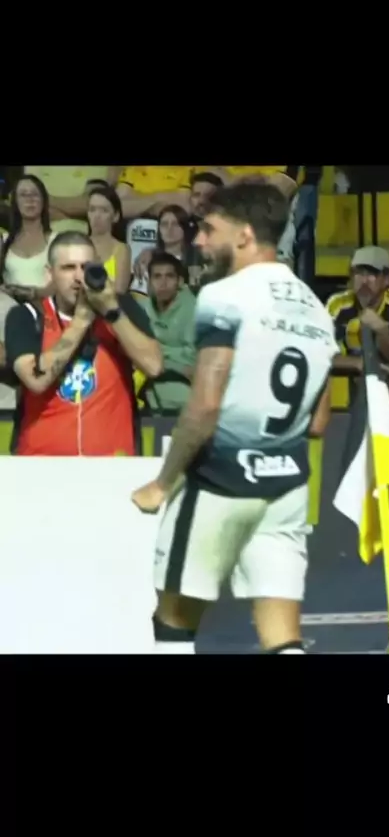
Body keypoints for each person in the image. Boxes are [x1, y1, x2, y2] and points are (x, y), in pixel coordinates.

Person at [131, 181, 338, 655]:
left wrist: (163, 483)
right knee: (282, 637)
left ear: (244, 235)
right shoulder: (316, 308)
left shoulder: (224, 295)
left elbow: (205, 405)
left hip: (218, 480)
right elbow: (318, 422)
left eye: (209, 229)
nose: (200, 240)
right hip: (285, 486)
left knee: (173, 622)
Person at [5, 231, 162, 456]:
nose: (79, 277)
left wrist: (111, 312)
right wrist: (80, 321)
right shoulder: (27, 315)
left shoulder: (121, 308)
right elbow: (35, 380)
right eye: (68, 268)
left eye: (86, 267)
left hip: (112, 463)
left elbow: (154, 366)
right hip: (41, 464)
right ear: (50, 273)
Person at [326, 246, 389, 407]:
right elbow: (322, 353)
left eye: (372, 274)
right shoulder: (337, 304)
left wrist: (382, 330)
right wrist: (359, 363)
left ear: (386, 279)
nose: (364, 281)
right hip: (349, 374)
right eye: (358, 273)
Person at [140, 252, 196, 415]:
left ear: (179, 281)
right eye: (157, 277)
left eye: (169, 276)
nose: (163, 283)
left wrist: (153, 354)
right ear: (149, 281)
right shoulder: (143, 308)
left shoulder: (192, 309)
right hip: (148, 397)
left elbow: (191, 360)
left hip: (184, 399)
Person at [0, 175, 56, 303]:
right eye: (23, 195)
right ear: (15, 202)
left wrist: (32, 293)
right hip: (10, 310)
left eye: (34, 194)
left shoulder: (57, 241)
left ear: (43, 201)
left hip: (46, 310)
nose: (30, 199)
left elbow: (61, 285)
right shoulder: (3, 241)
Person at [87, 186, 131, 294]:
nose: (97, 216)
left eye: (104, 210)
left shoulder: (121, 249)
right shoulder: (78, 245)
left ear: (115, 216)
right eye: (92, 210)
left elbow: (120, 291)